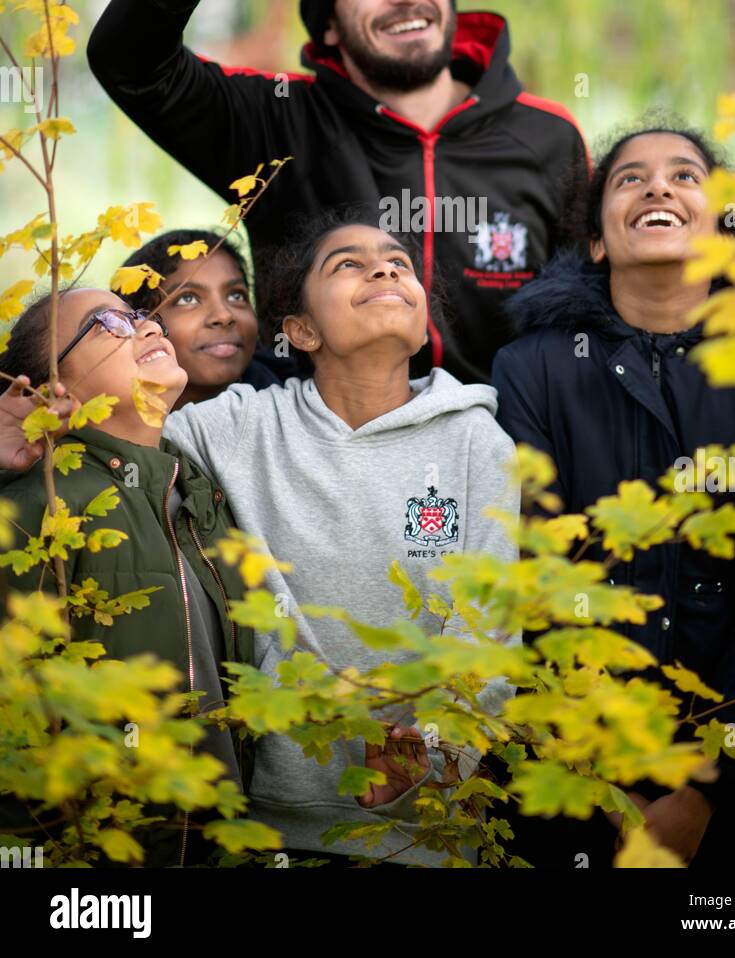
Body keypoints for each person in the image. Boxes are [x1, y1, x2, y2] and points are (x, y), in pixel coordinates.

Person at [1, 212, 520, 866]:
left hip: (429, 827)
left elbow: (492, 630)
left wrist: (443, 754)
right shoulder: (235, 429)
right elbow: (118, 435)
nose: (385, 269)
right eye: (348, 265)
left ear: (426, 324)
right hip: (264, 824)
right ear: (299, 331)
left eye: (398, 263)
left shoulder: (479, 441)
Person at [86, 0, 589, 384]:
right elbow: (129, 58)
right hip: (317, 464)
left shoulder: (548, 136)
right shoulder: (279, 121)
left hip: (502, 460)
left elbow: (592, 317)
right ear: (327, 25)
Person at [491, 122, 735, 869]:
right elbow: (536, 579)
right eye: (630, 178)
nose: (658, 187)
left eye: (686, 176)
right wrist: (610, 788)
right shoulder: (531, 369)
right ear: (597, 243)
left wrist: (704, 790)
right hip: (572, 773)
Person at [0, 288, 257, 866]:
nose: (144, 325)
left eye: (140, 314)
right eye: (105, 323)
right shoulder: (41, 514)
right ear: (50, 392)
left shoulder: (203, 500)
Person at [117, 228, 296, 405]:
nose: (224, 316)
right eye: (187, 299)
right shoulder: (101, 425)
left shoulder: (297, 399)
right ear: (137, 325)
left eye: (236, 296)